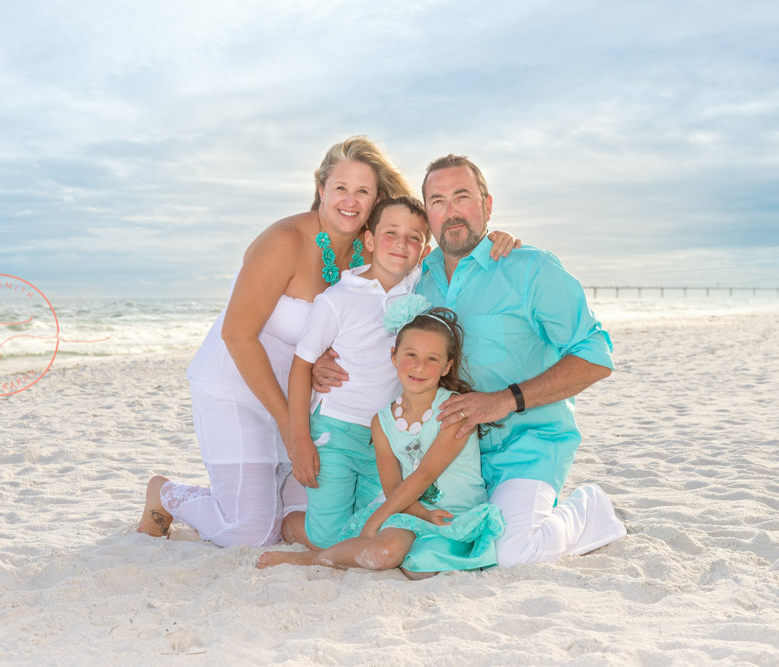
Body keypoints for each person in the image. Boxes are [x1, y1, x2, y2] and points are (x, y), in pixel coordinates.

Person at [137, 138, 519, 547]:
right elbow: (237, 335)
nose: (350, 201)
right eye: (340, 188)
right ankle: (167, 493)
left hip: (311, 401)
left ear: (375, 200)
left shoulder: (372, 249)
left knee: (322, 520)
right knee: (251, 532)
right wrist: (292, 428)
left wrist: (490, 239)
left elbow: (432, 248)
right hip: (240, 390)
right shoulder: (285, 240)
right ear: (321, 188)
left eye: (363, 192)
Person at [314, 154, 627, 566]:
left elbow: (595, 355)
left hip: (526, 446)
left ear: (487, 205)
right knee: (404, 547)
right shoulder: (415, 275)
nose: (451, 211)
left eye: (462, 197)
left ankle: (591, 509)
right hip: (442, 454)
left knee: (514, 553)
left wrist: (503, 400)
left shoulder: (530, 269)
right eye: (438, 201)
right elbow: (367, 324)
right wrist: (321, 359)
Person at [258, 304, 504, 577]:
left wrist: (375, 522)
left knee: (419, 570)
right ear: (394, 357)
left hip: (454, 515)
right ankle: (313, 558)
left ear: (447, 366)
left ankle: (353, 546)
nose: (420, 366)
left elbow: (424, 475)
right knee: (381, 553)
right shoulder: (383, 421)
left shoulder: (455, 412)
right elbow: (392, 487)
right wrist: (419, 514)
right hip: (411, 511)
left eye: (432, 359)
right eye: (411, 355)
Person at [284, 196, 433, 550]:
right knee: (325, 540)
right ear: (369, 240)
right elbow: (301, 366)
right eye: (390, 233)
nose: (401, 243)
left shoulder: (418, 291)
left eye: (414, 237)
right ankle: (289, 522)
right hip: (335, 430)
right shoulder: (337, 299)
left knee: (363, 526)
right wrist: (300, 441)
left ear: (425, 251)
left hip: (385, 437)